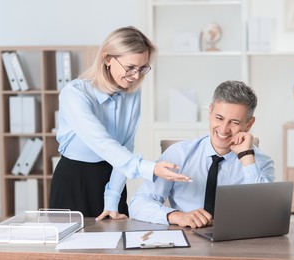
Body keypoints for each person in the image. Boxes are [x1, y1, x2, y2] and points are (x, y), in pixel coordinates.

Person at [49, 26, 191, 220]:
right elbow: (102, 143)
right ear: (108, 59)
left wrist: (112, 199)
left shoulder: (131, 93)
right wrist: (149, 168)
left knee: (116, 244)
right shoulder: (74, 94)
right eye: (130, 67)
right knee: (74, 246)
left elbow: (126, 144)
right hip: (74, 179)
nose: (136, 76)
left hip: (114, 175)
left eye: (142, 68)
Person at [129, 80, 275, 228]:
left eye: (235, 122)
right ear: (210, 112)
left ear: (249, 124)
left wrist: (247, 158)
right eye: (219, 118)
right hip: (188, 238)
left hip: (238, 241)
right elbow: (138, 203)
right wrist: (178, 216)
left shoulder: (261, 162)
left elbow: (265, 214)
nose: (224, 129)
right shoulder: (179, 154)